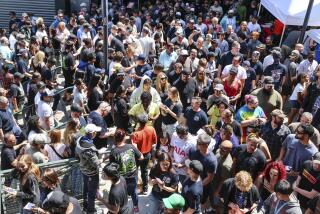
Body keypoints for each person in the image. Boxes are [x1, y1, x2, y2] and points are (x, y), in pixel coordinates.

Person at [109, 129, 143, 213]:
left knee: (124, 194)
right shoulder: (131, 147)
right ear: (124, 138)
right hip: (133, 176)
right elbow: (141, 157)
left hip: (121, 179)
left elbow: (112, 167)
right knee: (134, 192)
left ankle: (125, 207)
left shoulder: (113, 152)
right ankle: (135, 207)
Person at [75, 123, 101, 214]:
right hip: (91, 173)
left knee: (86, 188)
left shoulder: (79, 139)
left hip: (83, 169)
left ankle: (86, 206)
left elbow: (80, 131)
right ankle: (90, 210)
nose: (96, 134)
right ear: (92, 133)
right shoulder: (89, 149)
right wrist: (101, 156)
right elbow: (96, 163)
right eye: (95, 132)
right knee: (91, 192)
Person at [188, 133, 218, 212]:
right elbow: (189, 161)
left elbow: (209, 177)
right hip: (190, 179)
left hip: (202, 186)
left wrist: (198, 184)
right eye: (197, 142)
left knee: (201, 202)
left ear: (207, 145)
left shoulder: (211, 160)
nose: (197, 144)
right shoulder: (193, 150)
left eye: (200, 143)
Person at [131, 113, 157, 194]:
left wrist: (139, 154)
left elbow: (134, 147)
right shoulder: (151, 129)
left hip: (137, 156)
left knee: (135, 172)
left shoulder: (136, 133)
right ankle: (145, 189)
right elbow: (154, 143)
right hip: (147, 155)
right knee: (144, 171)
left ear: (138, 121)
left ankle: (134, 188)